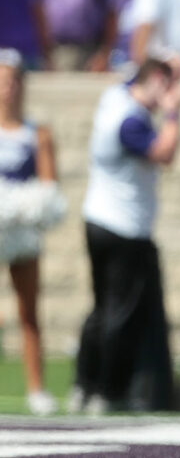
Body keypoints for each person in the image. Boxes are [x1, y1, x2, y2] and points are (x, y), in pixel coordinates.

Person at [74, 58, 180, 412]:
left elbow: (128, 79)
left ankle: (84, 384)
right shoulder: (131, 119)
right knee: (121, 314)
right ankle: (108, 391)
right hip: (124, 226)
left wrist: (168, 67)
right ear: (152, 81)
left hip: (98, 218)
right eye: (166, 84)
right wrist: (173, 113)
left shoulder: (113, 99)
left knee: (102, 308)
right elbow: (165, 152)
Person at [0, 50, 59, 415]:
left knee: (28, 311)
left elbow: (49, 185)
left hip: (22, 234)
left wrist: (24, 208)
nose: (6, 89)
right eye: (1, 82)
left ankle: (37, 389)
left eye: (12, 81)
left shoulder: (36, 133)